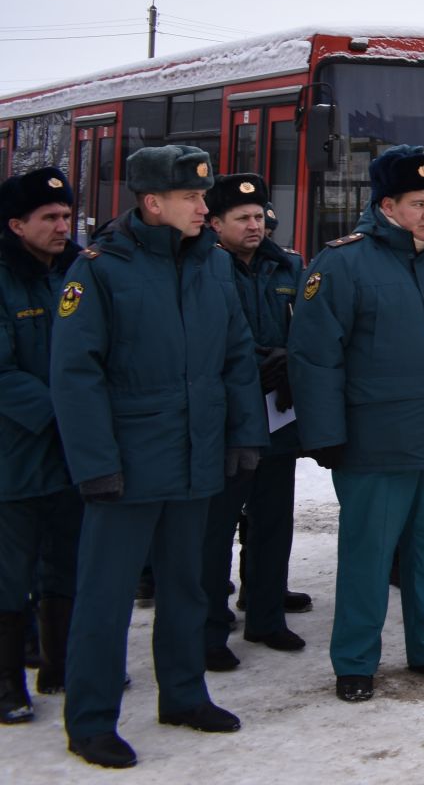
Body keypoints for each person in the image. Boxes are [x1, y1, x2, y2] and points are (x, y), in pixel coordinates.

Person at [51, 145, 268, 768]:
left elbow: (235, 356)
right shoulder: (98, 271)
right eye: (192, 198)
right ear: (153, 203)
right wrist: (95, 464)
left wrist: (244, 433)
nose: (206, 208)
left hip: (196, 458)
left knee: (188, 586)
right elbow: (75, 375)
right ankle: (91, 720)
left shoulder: (211, 266)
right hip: (127, 465)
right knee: (106, 596)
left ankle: (183, 695)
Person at [288, 145, 424, 704]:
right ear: (386, 205)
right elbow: (315, 357)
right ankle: (356, 660)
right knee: (369, 556)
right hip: (374, 444)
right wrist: (325, 433)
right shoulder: (342, 264)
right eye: (417, 203)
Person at [198, 173, 306, 672]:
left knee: (273, 521)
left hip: (277, 417)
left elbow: (309, 326)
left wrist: (290, 358)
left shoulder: (288, 266)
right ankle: (209, 628)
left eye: (259, 216)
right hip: (225, 419)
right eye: (241, 218)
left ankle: (265, 614)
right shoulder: (201, 268)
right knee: (215, 529)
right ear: (215, 222)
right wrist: (260, 358)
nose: (253, 225)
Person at [0, 168, 83, 725]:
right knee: (10, 570)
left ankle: (61, 663)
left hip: (72, 452)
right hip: (15, 453)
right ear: (16, 225)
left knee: (68, 561)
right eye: (49, 218)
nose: (62, 226)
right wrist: (68, 411)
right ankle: (8, 680)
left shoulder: (79, 272)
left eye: (67, 217)